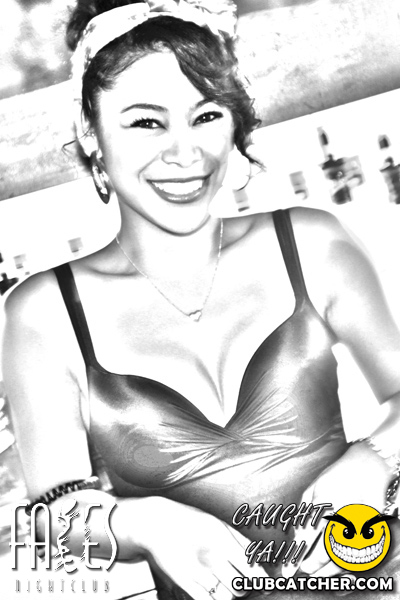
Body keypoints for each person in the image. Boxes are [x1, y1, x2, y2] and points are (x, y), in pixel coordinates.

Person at [2, 1, 400, 599]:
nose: (185, 154)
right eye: (146, 122)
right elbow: (52, 520)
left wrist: (375, 457)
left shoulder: (311, 242)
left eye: (206, 115)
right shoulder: (42, 312)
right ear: (90, 130)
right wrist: (145, 524)